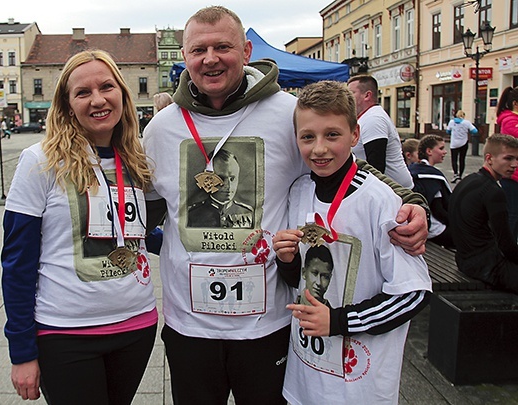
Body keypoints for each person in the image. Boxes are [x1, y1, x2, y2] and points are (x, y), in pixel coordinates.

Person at [143, 6, 429, 404]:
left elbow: (342, 166)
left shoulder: (285, 113)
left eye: (222, 47)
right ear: (185, 58)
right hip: (190, 325)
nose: (210, 58)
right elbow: (142, 204)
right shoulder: (160, 129)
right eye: (198, 50)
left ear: (245, 51)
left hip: (268, 325)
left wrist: (414, 203)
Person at [1, 49, 157, 404]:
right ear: (68, 105)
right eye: (83, 92)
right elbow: (16, 263)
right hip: (66, 334)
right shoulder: (39, 161)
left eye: (106, 87)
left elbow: (138, 234)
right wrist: (21, 351)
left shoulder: (137, 159)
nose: (98, 100)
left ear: (122, 93)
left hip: (136, 325)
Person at [273, 80, 431, 405]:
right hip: (306, 374)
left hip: (359, 383)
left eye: (332, 135)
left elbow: (413, 293)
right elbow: (299, 282)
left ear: (355, 135)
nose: (319, 148)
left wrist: (340, 321)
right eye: (308, 137)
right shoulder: (299, 191)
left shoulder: (379, 199)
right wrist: (287, 261)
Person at [449, 134, 518, 293]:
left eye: (517, 159)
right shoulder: (494, 192)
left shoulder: (467, 181)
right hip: (486, 267)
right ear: (489, 158)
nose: (515, 165)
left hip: (464, 260)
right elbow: (506, 245)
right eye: (508, 158)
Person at [347, 75, 413, 188]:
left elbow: (376, 165)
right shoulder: (368, 116)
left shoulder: (374, 119)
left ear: (367, 95)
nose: (347, 98)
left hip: (394, 190)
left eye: (351, 93)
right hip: (388, 187)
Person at [187, 148, 253, 228]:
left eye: (232, 179)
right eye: (221, 178)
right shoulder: (191, 214)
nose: (228, 185)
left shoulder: (248, 213)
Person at [409, 135, 454, 248]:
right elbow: (438, 211)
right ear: (429, 151)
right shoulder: (431, 176)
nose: (445, 152)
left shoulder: (414, 169)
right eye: (441, 148)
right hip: (434, 230)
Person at [496, 86, 518, 241]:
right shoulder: (510, 121)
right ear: (515, 103)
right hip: (512, 174)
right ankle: (507, 248)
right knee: (513, 213)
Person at [446, 110, 477, 183]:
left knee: (454, 159)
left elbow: (448, 131)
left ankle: (455, 174)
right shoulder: (466, 123)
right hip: (463, 143)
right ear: (463, 116)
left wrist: (453, 132)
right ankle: (460, 175)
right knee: (462, 159)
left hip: (454, 144)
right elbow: (475, 131)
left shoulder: (451, 122)